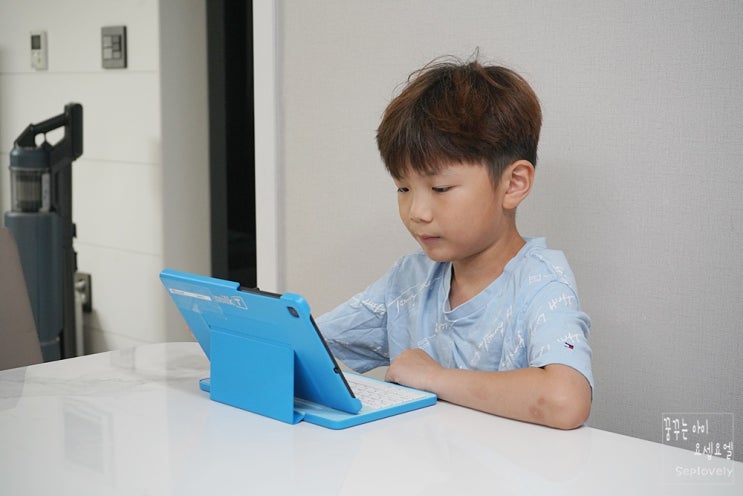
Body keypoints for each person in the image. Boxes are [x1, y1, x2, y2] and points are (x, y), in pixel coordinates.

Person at [316, 56, 592, 430]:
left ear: (513, 184)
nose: (417, 212)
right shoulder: (410, 280)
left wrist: (434, 377)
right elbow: (304, 344)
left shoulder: (540, 281)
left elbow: (565, 401)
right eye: (403, 188)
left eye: (441, 188)